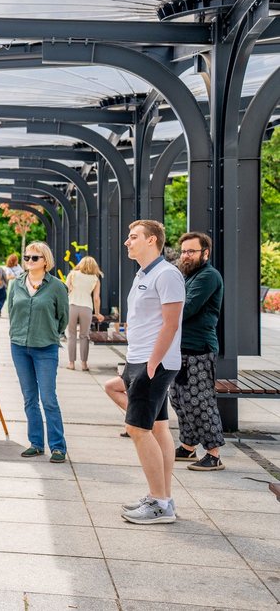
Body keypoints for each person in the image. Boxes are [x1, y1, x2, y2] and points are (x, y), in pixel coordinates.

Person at [103, 220, 184, 524]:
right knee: (158, 428)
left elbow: (171, 322)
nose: (127, 241)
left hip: (154, 363)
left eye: (133, 236)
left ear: (152, 241)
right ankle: (161, 497)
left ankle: (160, 503)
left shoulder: (167, 274)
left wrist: (152, 362)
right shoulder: (143, 273)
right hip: (140, 360)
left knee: (138, 429)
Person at [9, 243, 70, 463]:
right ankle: (36, 443)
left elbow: (63, 317)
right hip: (19, 347)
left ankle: (58, 446)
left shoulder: (56, 287)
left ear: (45, 260)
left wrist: (49, 332)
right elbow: (11, 311)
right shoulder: (15, 284)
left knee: (48, 398)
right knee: (29, 398)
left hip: (45, 347)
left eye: (35, 258)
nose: (29, 261)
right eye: (27, 257)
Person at [169, 232, 226, 471]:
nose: (186, 256)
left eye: (191, 251)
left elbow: (187, 307)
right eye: (183, 251)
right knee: (180, 400)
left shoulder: (209, 276)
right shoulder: (188, 275)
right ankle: (188, 446)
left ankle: (214, 455)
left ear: (205, 253)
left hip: (199, 349)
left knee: (200, 401)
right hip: (181, 347)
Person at [65, 257, 106, 371]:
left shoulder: (72, 274)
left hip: (72, 305)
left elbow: (65, 290)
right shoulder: (95, 279)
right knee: (84, 336)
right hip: (87, 307)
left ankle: (71, 363)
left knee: (71, 335)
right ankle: (84, 364)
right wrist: (97, 313)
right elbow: (96, 298)